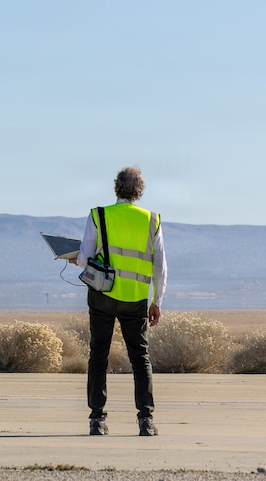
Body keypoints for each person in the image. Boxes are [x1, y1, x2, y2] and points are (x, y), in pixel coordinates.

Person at [70, 165, 167, 437]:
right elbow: (160, 266)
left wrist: (74, 258)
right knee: (140, 358)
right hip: (135, 298)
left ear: (116, 187)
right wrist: (156, 301)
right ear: (140, 190)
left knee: (98, 356)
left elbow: (85, 257)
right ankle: (146, 420)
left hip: (102, 295)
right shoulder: (151, 220)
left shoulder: (99, 215)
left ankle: (97, 420)